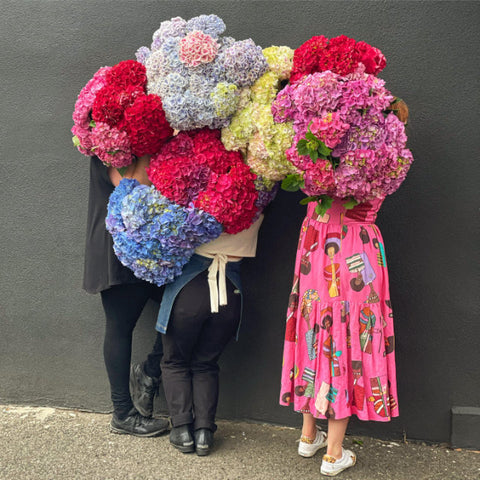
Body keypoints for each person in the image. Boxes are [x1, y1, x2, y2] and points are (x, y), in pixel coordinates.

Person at [279, 106, 408, 476]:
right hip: (357, 249)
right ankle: (333, 453)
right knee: (349, 334)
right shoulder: (387, 155)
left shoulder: (316, 145)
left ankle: (309, 434)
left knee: (315, 329)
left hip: (317, 245)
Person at [131, 215, 263, 456]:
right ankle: (204, 434)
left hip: (189, 285)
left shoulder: (199, 199)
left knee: (174, 361)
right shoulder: (257, 200)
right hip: (230, 290)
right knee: (206, 364)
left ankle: (181, 429)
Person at [83, 155, 168, 437]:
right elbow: (134, 190)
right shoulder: (108, 144)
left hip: (151, 246)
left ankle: (149, 372)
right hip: (117, 246)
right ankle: (122, 414)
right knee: (120, 327)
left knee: (182, 308)